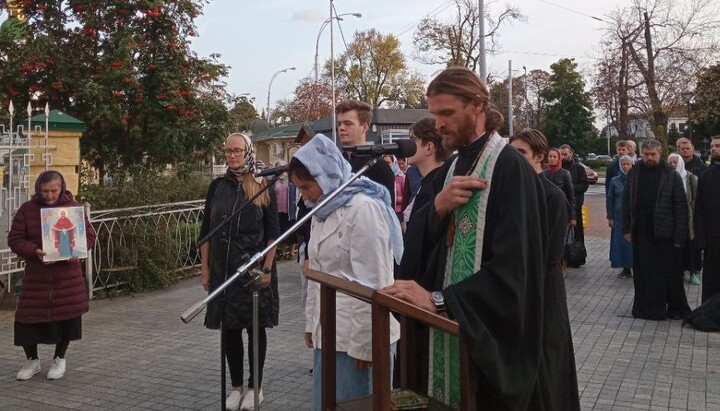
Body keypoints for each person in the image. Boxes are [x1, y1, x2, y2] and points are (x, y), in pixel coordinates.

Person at [384, 67, 553, 410]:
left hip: (484, 341)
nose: (439, 123)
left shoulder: (509, 170)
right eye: (434, 114)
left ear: (476, 105)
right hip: (443, 336)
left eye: (447, 113)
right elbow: (417, 243)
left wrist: (442, 300)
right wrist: (437, 208)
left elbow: (514, 269)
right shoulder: (451, 166)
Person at [290, 134, 401, 411]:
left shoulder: (363, 209)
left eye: (306, 187)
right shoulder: (322, 211)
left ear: (326, 177)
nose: (303, 196)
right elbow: (317, 273)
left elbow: (376, 282)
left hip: (358, 341)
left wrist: (367, 345)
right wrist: (311, 323)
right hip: (329, 334)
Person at [200, 133, 280, 411]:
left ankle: (255, 388)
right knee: (229, 329)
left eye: (236, 150)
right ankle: (235, 387)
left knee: (254, 329)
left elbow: (273, 233)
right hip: (223, 270)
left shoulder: (261, 183)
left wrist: (268, 268)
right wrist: (205, 269)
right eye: (227, 151)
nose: (231, 155)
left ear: (246, 151)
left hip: (254, 269)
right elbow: (206, 231)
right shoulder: (217, 186)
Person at [509, 129, 581, 411]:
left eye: (522, 154)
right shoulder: (513, 191)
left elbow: (550, 252)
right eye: (511, 153)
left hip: (543, 286)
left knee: (548, 356)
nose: (515, 160)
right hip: (520, 285)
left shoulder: (552, 196)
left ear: (539, 156)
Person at [8, 170, 96, 381]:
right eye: (45, 191)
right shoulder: (28, 209)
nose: (49, 195)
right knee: (26, 319)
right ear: (38, 189)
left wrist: (78, 251)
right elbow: (15, 238)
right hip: (37, 277)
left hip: (67, 277)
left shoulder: (73, 209)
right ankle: (32, 360)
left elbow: (89, 234)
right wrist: (34, 250)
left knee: (66, 318)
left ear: (61, 188)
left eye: (53, 191)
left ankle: (59, 358)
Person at [622, 139, 690, 321]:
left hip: (663, 232)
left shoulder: (670, 174)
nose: (650, 158)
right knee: (643, 272)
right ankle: (643, 308)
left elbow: (681, 207)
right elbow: (626, 202)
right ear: (641, 154)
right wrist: (627, 228)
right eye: (646, 154)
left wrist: (679, 235)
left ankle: (664, 308)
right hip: (641, 230)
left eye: (653, 154)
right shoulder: (634, 173)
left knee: (663, 273)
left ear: (661, 154)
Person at [336, 100, 395, 206]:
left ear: (364, 127)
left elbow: (388, 211)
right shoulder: (335, 162)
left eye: (348, 123)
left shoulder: (378, 165)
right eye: (339, 124)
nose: (341, 128)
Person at [543, 148, 576, 276]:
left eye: (554, 156)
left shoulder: (565, 173)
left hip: (562, 212)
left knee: (563, 241)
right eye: (550, 156)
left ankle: (564, 267)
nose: (551, 159)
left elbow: (571, 195)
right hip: (547, 211)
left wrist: (573, 216)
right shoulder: (544, 173)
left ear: (559, 158)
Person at [694, 136, 720, 303]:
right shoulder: (705, 176)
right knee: (712, 279)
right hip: (713, 240)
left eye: (717, 146)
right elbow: (699, 210)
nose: (713, 149)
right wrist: (701, 239)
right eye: (712, 146)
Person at [668, 153, 701, 285]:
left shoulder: (691, 178)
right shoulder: (666, 177)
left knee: (689, 246)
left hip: (688, 219)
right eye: (670, 162)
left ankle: (692, 271)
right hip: (672, 219)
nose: (673, 165)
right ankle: (678, 272)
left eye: (675, 162)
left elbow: (697, 199)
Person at [560, 144, 589, 266]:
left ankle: (577, 258)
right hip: (561, 206)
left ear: (571, 154)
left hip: (575, 205)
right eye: (561, 154)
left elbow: (584, 185)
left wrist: (570, 188)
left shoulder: (578, 168)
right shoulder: (558, 168)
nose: (563, 157)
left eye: (565, 154)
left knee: (577, 233)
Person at [606, 155, 634, 279]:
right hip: (619, 217)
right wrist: (610, 217)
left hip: (635, 217)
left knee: (634, 244)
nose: (626, 166)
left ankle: (636, 266)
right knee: (622, 244)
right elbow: (610, 200)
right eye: (624, 164)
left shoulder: (637, 179)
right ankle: (626, 268)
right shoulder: (615, 181)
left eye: (628, 164)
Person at [273, 160, 297, 260]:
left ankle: (291, 252)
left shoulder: (291, 179)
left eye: (280, 166)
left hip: (289, 210)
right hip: (278, 210)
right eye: (277, 166)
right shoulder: (274, 180)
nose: (279, 168)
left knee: (291, 232)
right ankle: (282, 253)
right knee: (281, 233)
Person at [383, 154, 407, 221]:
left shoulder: (401, 177)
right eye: (384, 163)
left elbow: (406, 197)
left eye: (388, 162)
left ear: (393, 163)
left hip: (397, 212)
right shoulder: (381, 177)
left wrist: (394, 198)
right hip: (385, 210)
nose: (386, 165)